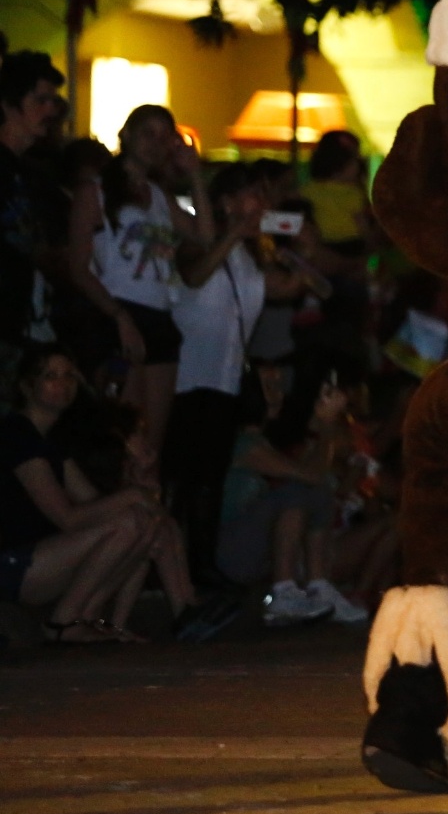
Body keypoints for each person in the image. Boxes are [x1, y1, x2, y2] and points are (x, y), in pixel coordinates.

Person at [166, 163, 312, 584]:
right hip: (186, 378)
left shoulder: (252, 257)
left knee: (209, 477)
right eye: (253, 195)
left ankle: (202, 567)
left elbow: (288, 286)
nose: (262, 205)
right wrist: (233, 232)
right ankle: (178, 571)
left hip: (223, 379)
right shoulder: (197, 239)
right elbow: (194, 275)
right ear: (226, 202)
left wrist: (302, 248)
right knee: (184, 477)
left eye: (265, 197)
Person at [0, 344, 193, 642]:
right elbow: (68, 519)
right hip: (15, 564)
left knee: (144, 521)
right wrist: (132, 496)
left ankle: (177, 613)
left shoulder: (50, 440)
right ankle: (63, 623)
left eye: (69, 376)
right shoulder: (17, 435)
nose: (63, 384)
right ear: (27, 385)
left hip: (45, 557)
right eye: (51, 376)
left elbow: (94, 503)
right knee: (130, 520)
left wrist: (136, 482)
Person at [66, 105, 215, 458]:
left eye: (165, 137)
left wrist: (194, 175)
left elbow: (205, 236)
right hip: (118, 310)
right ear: (127, 135)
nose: (156, 143)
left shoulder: (159, 197)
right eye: (148, 133)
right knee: (125, 436)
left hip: (159, 315)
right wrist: (118, 317)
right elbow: (78, 267)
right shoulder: (96, 191)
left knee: (152, 443)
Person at [216, 348, 369, 624]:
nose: (279, 394)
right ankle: (285, 592)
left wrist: (326, 430)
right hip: (231, 551)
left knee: (314, 491)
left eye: (278, 385)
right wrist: (326, 425)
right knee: (297, 490)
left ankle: (318, 585)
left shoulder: (263, 441)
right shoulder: (244, 445)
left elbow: (317, 477)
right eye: (269, 387)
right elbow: (311, 475)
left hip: (254, 547)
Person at [0, 52, 68, 391]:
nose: (51, 110)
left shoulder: (36, 175)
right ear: (9, 104)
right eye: (40, 100)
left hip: (23, 326)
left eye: (53, 101)